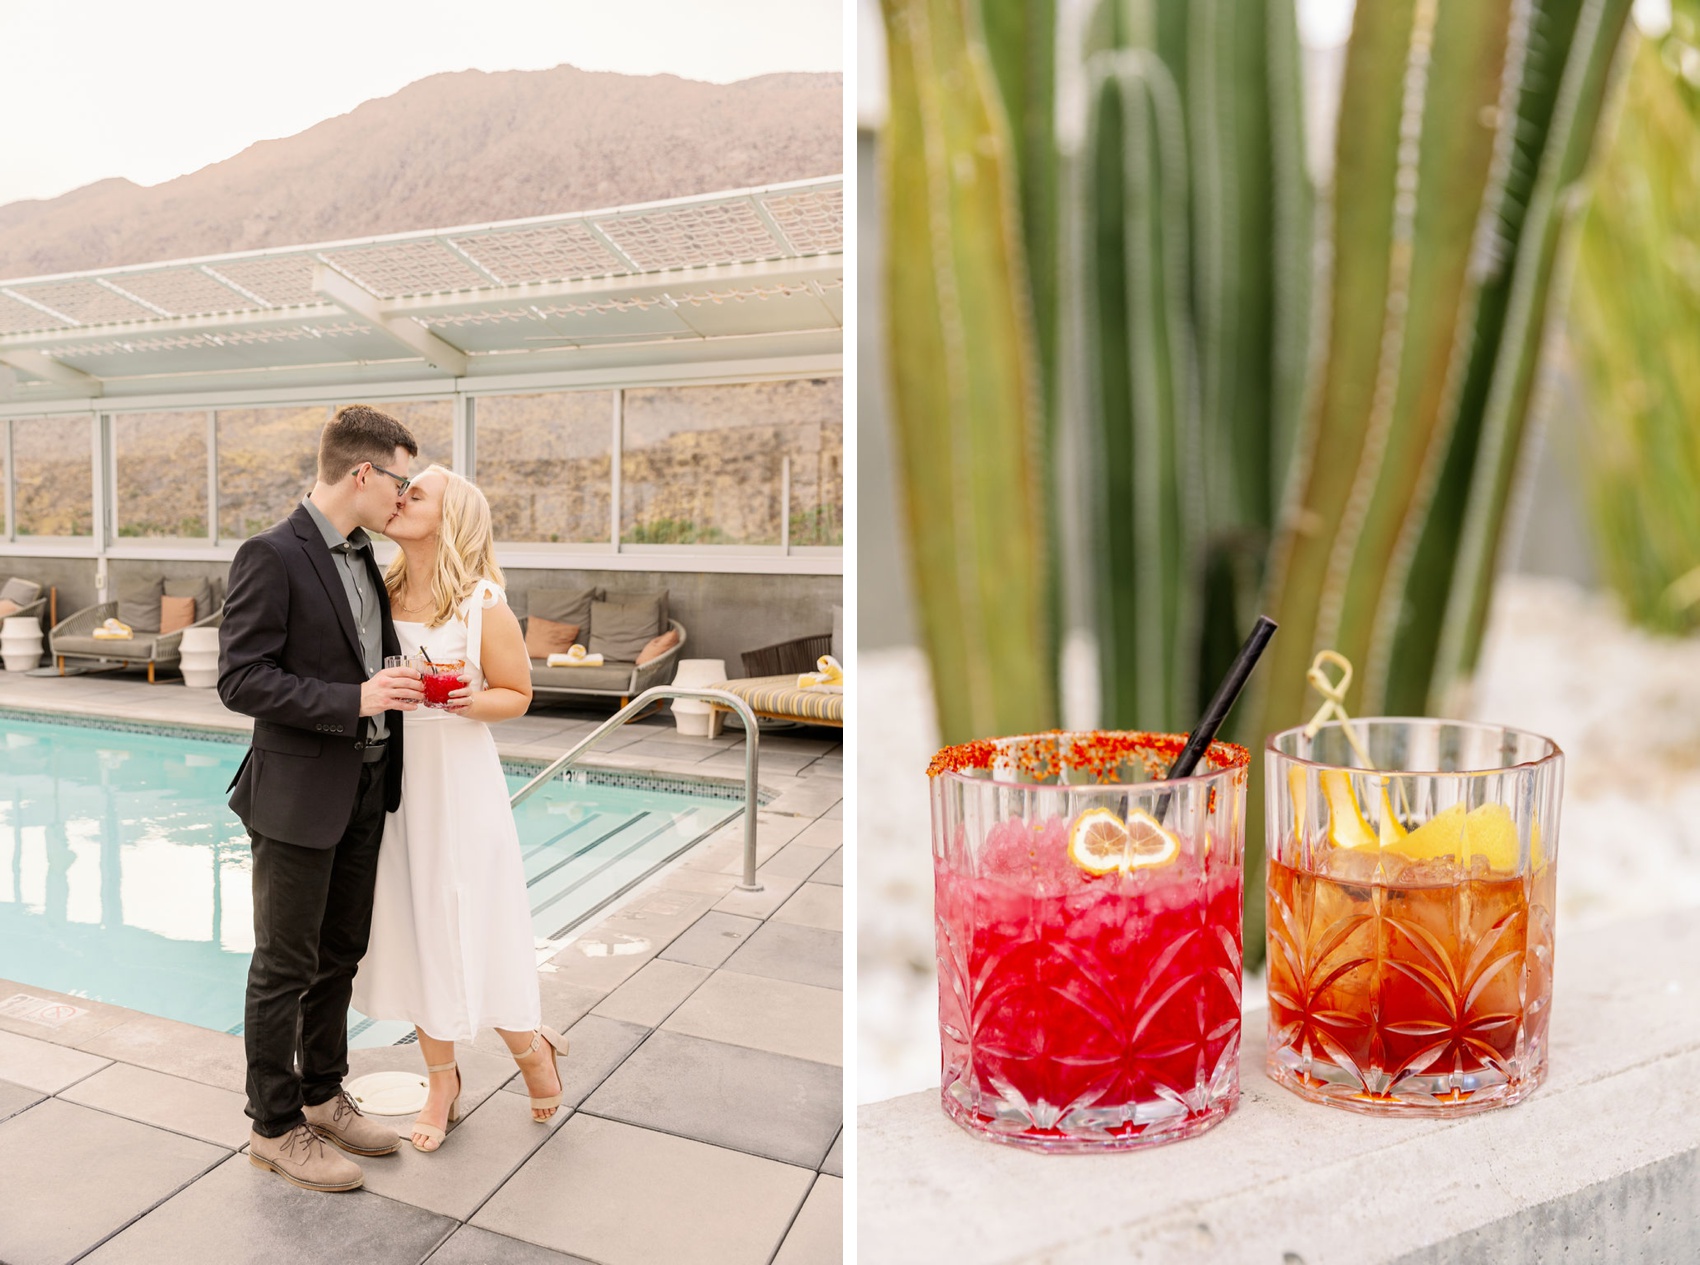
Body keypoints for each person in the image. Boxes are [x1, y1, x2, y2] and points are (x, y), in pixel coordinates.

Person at [218, 404, 426, 1192]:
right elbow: (240, 677)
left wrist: (393, 693)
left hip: (366, 785)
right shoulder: (271, 554)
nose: (403, 497)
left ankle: (323, 1094)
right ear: (363, 473)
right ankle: (274, 1126)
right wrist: (357, 696)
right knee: (284, 963)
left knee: (340, 953)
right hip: (298, 793)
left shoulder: (364, 553)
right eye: (399, 481)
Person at [352, 463, 567, 1153]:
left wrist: (468, 700)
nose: (401, 496)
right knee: (417, 929)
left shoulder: (482, 603)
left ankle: (531, 1046)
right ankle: (441, 1080)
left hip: (462, 782)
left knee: (475, 924)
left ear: (450, 518)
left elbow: (519, 691)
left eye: (416, 493)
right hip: (398, 785)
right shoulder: (374, 591)